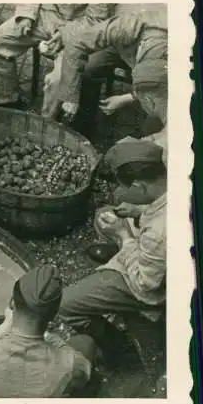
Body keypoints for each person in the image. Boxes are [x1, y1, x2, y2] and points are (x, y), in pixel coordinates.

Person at [0, 264, 96, 398]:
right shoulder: (69, 362)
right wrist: (49, 336)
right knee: (85, 343)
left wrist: (6, 325)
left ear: (12, 303)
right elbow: (82, 372)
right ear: (54, 315)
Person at [58, 138, 167, 331]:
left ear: (138, 186)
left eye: (122, 187)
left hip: (152, 286)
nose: (118, 192)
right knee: (105, 213)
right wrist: (140, 210)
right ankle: (121, 252)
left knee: (64, 305)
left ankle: (118, 347)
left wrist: (123, 236)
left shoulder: (159, 232)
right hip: (159, 251)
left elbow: (145, 284)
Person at [58, 11, 168, 160]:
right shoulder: (124, 27)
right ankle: (84, 124)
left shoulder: (179, 54)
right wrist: (71, 97)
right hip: (122, 48)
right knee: (91, 66)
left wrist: (125, 98)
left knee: (155, 121)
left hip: (153, 67)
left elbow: (156, 89)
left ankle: (141, 157)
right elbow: (76, 43)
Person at [0, 4, 116, 112]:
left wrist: (64, 33)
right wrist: (26, 15)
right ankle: (7, 103)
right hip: (44, 16)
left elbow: (97, 19)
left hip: (78, 27)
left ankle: (47, 123)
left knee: (58, 80)